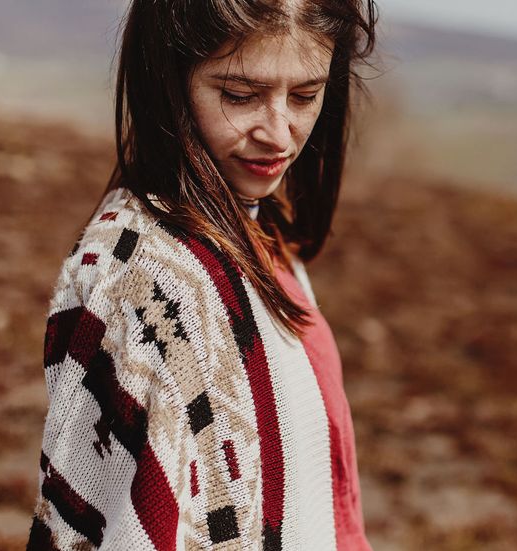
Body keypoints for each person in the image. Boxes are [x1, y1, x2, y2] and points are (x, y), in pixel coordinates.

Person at [26, 0, 378, 549]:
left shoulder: (259, 226)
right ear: (167, 79)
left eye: (307, 95)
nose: (279, 135)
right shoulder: (142, 279)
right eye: (240, 96)